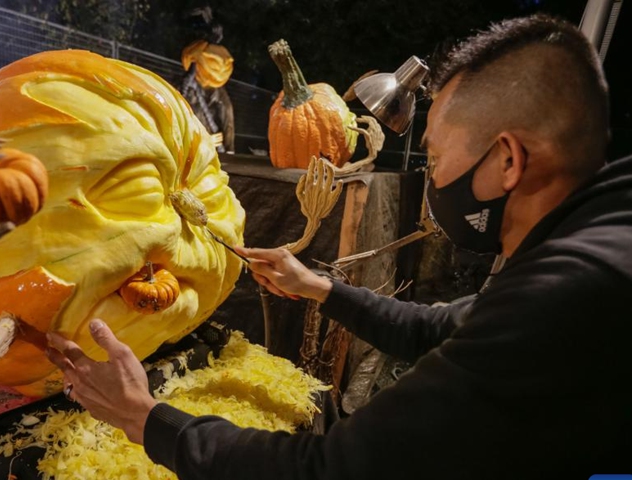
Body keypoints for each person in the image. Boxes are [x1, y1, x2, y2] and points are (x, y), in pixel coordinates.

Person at [46, 14, 632, 479]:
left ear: (509, 159)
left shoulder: (571, 293)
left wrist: (145, 419)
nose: (431, 178)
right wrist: (317, 286)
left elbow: (334, 469)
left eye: (434, 157)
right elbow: (442, 328)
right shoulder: (595, 238)